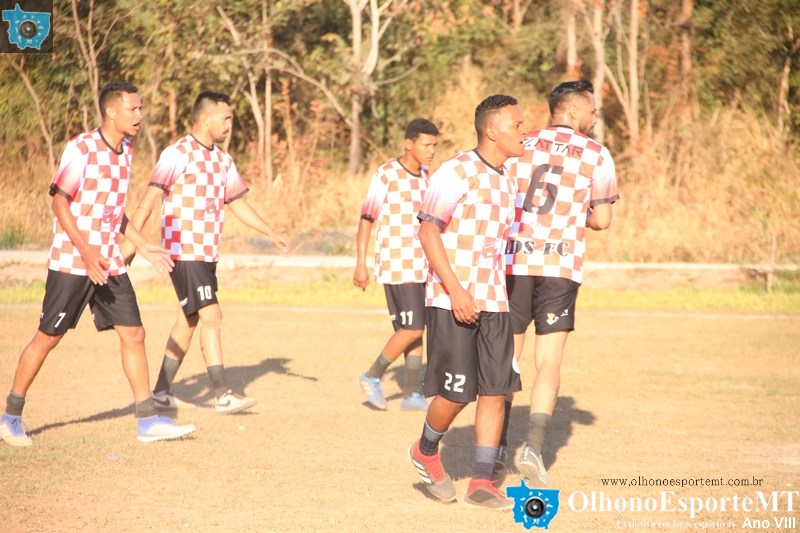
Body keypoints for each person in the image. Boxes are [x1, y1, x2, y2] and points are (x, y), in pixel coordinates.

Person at [0, 82, 197, 447]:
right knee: (48, 337)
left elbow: (113, 212)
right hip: (73, 262)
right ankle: (10, 417)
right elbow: (59, 203)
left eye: (140, 109)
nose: (139, 115)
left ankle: (147, 421)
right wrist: (87, 252)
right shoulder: (82, 148)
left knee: (134, 333)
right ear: (111, 112)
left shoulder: (126, 151)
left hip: (109, 262)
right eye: (133, 109)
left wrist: (143, 245)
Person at [123, 91, 289, 415]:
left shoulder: (223, 160)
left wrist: (270, 232)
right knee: (212, 315)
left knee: (187, 322)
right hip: (184, 252)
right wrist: (131, 245)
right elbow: (149, 199)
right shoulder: (177, 153)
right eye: (225, 118)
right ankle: (222, 395)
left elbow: (236, 203)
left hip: (207, 254)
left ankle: (161, 392)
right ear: (206, 118)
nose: (229, 124)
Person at [408, 94, 525, 510]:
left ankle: (481, 481)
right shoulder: (455, 171)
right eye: (516, 125)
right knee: (458, 394)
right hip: (451, 299)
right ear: (491, 130)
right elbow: (428, 232)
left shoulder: (509, 178)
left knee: (495, 391)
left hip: (495, 302)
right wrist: (456, 290)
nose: (523, 131)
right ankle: (425, 450)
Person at [501, 79, 619, 484]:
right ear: (572, 111)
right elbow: (602, 219)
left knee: (507, 357)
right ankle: (533, 448)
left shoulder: (520, 143)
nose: (596, 116)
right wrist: (571, 214)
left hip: (514, 260)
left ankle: (496, 446)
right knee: (548, 361)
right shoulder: (597, 153)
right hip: (559, 265)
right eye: (592, 109)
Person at [354, 118, 440, 411]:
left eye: (434, 145)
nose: (431, 150)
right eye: (426, 145)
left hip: (422, 265)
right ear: (408, 144)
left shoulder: (427, 176)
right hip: (396, 264)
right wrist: (361, 263)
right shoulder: (386, 174)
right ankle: (372, 375)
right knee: (412, 328)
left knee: (416, 328)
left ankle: (412, 394)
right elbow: (367, 219)